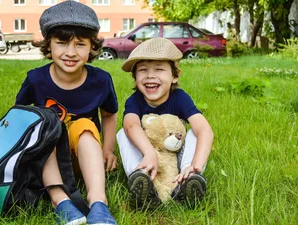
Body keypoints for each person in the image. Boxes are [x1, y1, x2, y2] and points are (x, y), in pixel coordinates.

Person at [15, 1, 118, 225]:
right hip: (47, 162)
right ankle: (59, 201)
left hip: (86, 160)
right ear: (48, 45)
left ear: (92, 46)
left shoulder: (101, 81)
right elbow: (19, 118)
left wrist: (108, 149)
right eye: (61, 43)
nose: (70, 52)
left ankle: (98, 202)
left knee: (83, 126)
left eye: (80, 44)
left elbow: (109, 114)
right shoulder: (35, 79)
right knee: (46, 128)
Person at [116, 38, 214, 209]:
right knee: (123, 133)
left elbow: (205, 130)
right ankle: (140, 179)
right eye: (143, 70)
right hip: (147, 157)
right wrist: (149, 153)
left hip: (175, 157)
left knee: (195, 133)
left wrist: (196, 164)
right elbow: (131, 125)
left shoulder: (180, 98)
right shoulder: (135, 100)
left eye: (159, 69)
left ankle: (188, 179)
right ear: (135, 77)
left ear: (175, 76)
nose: (150, 75)